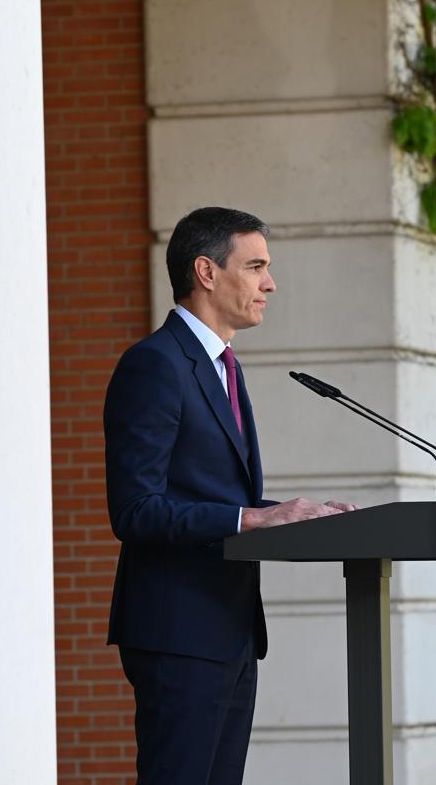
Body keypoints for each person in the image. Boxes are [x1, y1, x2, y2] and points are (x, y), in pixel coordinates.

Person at [103, 206, 351, 784]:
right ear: (207, 272)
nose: (270, 283)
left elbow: (209, 493)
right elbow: (134, 510)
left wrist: (297, 515)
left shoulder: (224, 368)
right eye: (256, 266)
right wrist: (252, 519)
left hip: (230, 629)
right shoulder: (155, 365)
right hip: (179, 632)